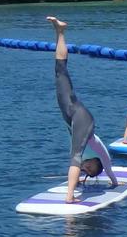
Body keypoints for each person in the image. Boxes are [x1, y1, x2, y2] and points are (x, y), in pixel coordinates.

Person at [47, 17, 117, 203]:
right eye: (91, 168)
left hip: (70, 112)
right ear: (97, 162)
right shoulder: (100, 152)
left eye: (87, 171)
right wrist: (115, 183)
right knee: (76, 157)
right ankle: (70, 197)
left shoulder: (84, 157)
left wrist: (78, 178)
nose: (87, 168)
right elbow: (109, 169)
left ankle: (60, 31)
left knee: (60, 70)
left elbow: (80, 165)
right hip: (83, 118)